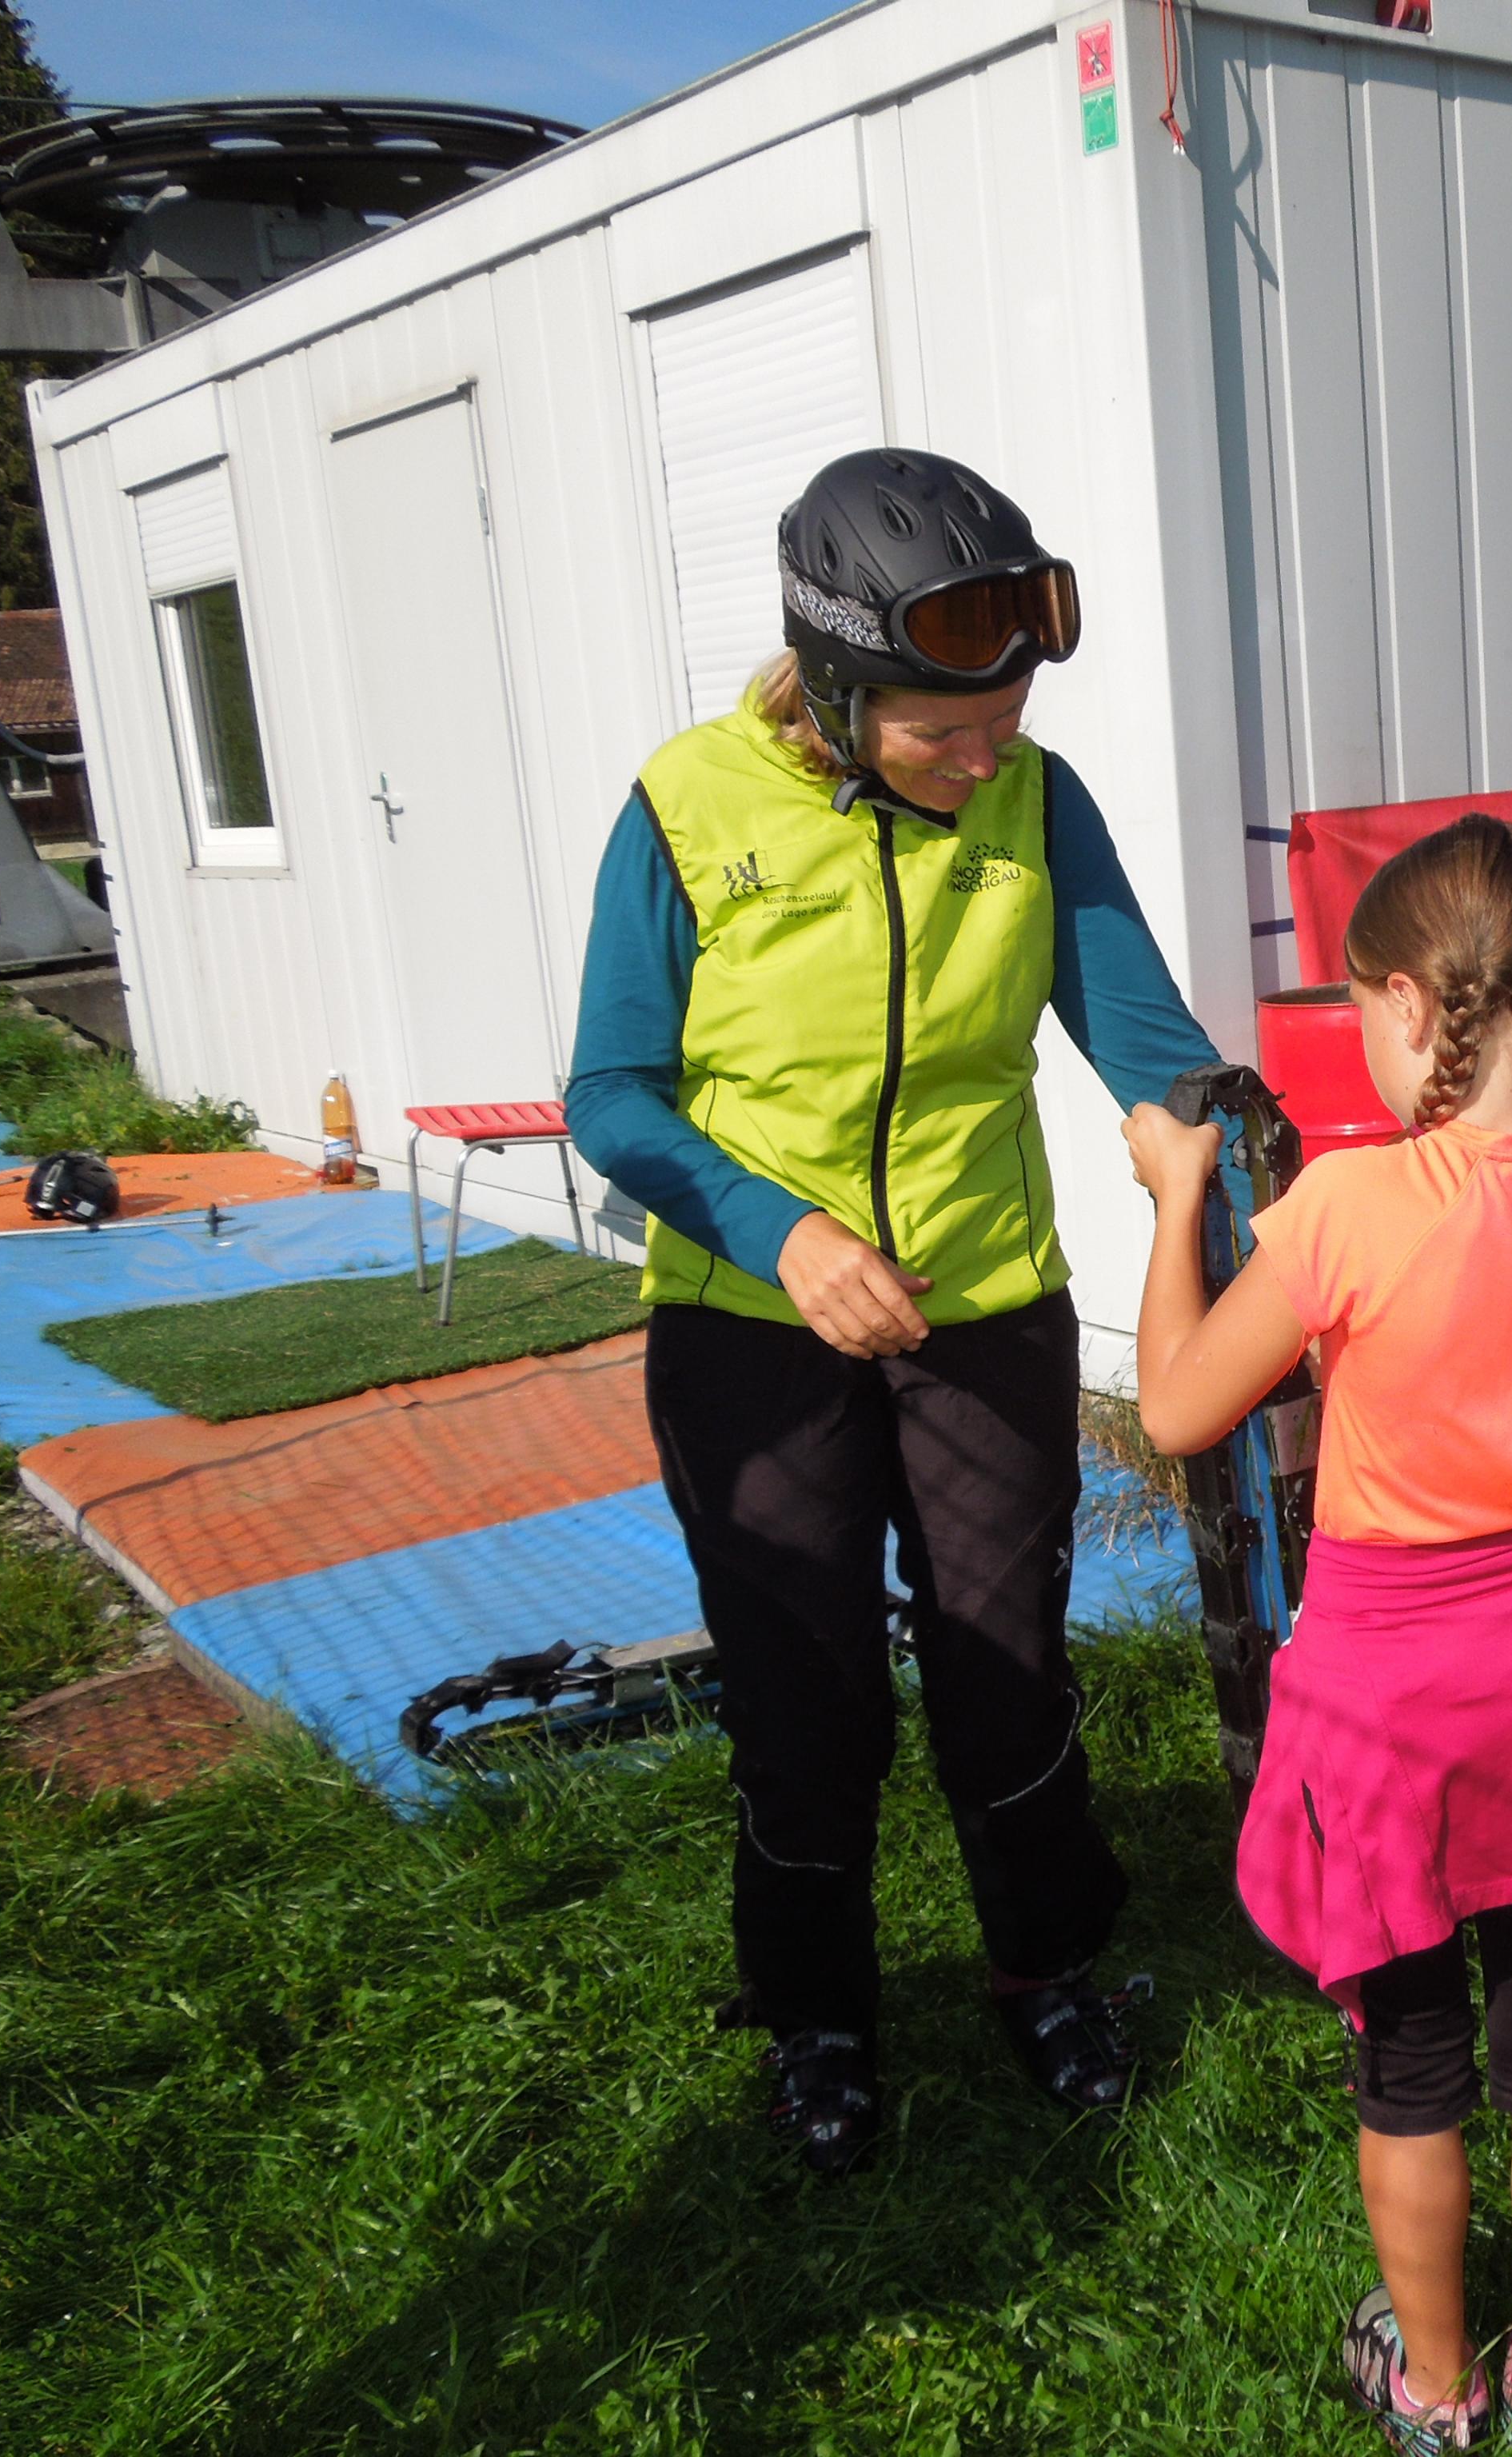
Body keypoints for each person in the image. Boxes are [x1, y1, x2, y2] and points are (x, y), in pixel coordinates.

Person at [565, 448, 1223, 2175]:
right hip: (749, 1324)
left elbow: (1148, 1043)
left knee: (1006, 1673)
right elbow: (612, 1095)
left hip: (985, 1307)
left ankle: (1045, 1968)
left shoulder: (1035, 799)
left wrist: (1232, 1159)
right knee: (808, 1704)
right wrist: (778, 1233)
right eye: (945, 731)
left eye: (1005, 719)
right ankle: (817, 2014)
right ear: (837, 689)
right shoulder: (684, 807)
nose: (984, 757)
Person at [1123, 814, 1512, 2447]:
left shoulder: (1345, 1204)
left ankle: (1438, 2385)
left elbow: (1177, 1408)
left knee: (1408, 2065)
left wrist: (1177, 1201)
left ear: (1404, 1004)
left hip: (1385, 1691)